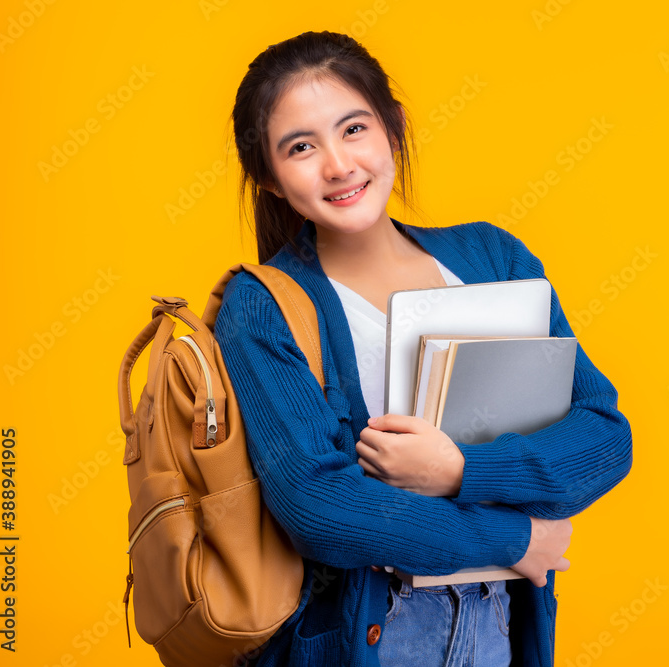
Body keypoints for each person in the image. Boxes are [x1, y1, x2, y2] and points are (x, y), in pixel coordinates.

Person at [213, 30, 632, 667]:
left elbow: (602, 437)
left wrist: (460, 470)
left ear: (393, 127)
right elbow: (321, 508)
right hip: (369, 637)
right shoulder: (263, 306)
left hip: (499, 622)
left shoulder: (492, 258)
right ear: (269, 177)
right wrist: (518, 535)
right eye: (301, 147)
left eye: (353, 129)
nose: (337, 164)